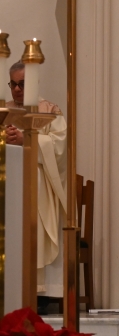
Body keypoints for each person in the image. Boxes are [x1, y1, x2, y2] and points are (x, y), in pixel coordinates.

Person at [6, 62, 67, 308]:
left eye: (23, 84)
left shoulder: (49, 110)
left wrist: (27, 139)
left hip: (38, 184)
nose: (18, 90)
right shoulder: (2, 110)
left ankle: (42, 293)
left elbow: (60, 146)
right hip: (7, 184)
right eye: (14, 84)